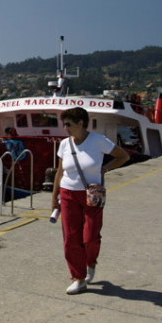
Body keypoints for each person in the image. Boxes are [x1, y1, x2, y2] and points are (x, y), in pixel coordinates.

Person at [51, 107, 129, 295]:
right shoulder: (64, 145)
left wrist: (105, 169)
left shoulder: (98, 141)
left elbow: (124, 156)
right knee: (71, 238)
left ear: (81, 123)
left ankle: (90, 262)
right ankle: (78, 278)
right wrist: (54, 198)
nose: (65, 128)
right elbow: (60, 172)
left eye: (69, 124)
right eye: (64, 124)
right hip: (68, 193)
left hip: (92, 193)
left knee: (91, 236)